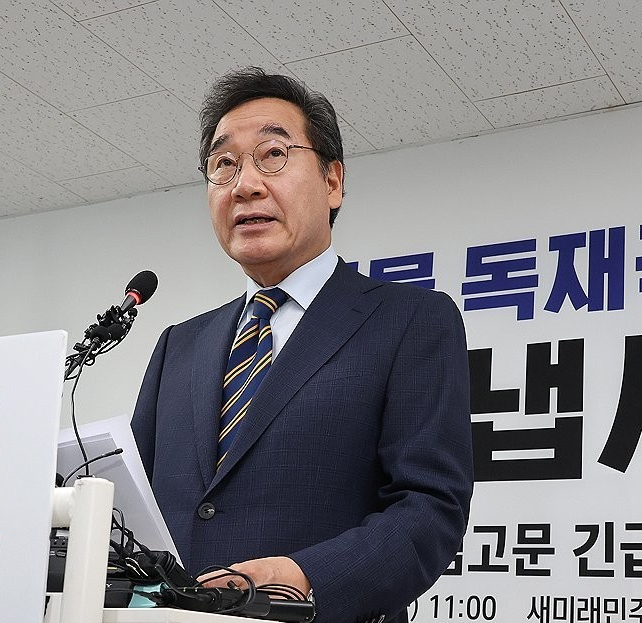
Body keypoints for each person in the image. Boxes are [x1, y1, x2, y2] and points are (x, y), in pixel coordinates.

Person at [131, 67, 473, 623]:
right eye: (224, 164)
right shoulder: (179, 345)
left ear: (333, 181)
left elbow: (429, 508)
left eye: (273, 154)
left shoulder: (410, 320)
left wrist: (305, 578)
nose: (245, 185)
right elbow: (134, 506)